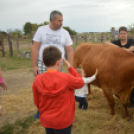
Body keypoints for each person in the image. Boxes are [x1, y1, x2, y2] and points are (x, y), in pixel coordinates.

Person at [32, 46, 84, 134]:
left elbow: (37, 101)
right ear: (58, 62)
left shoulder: (37, 80)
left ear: (44, 62)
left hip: (47, 120)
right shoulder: (67, 78)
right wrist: (71, 68)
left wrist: (44, 112)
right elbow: (81, 82)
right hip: (63, 120)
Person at [32, 10, 74, 119]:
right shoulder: (41, 30)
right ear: (51, 20)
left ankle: (56, 109)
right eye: (59, 21)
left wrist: (70, 67)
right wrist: (34, 66)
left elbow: (70, 51)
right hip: (43, 64)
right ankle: (41, 110)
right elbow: (35, 48)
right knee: (42, 88)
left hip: (57, 65)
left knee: (56, 88)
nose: (61, 23)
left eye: (62, 21)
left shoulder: (65, 33)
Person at [105, 26, 134, 107]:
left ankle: (132, 102)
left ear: (127, 34)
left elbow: (132, 48)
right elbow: (106, 43)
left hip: (131, 68)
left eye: (124, 33)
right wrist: (119, 48)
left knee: (132, 86)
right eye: (121, 33)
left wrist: (125, 51)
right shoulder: (117, 42)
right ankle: (124, 100)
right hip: (120, 70)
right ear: (119, 34)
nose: (123, 35)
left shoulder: (131, 41)